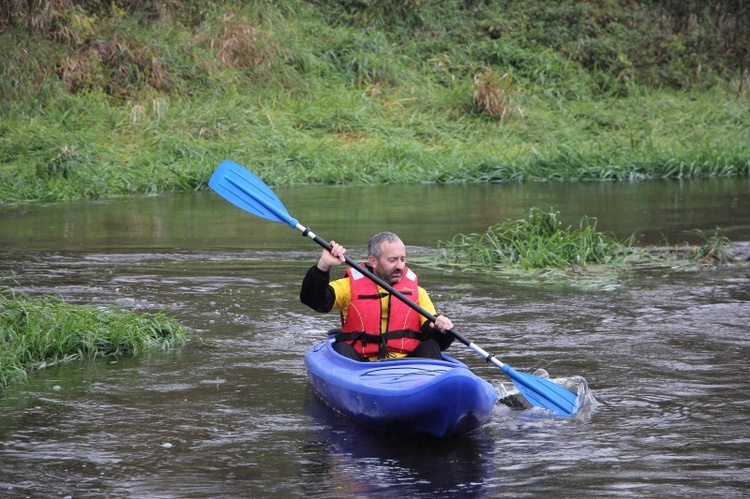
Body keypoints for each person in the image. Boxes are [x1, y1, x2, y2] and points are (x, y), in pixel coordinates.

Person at [300, 231, 455, 361]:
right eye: (392, 260)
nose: (400, 266)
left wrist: (442, 329)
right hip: (360, 365)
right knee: (342, 349)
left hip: (407, 365)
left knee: (431, 346)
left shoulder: (418, 293)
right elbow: (314, 300)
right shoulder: (349, 287)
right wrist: (324, 265)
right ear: (373, 261)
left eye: (403, 259)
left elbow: (434, 338)